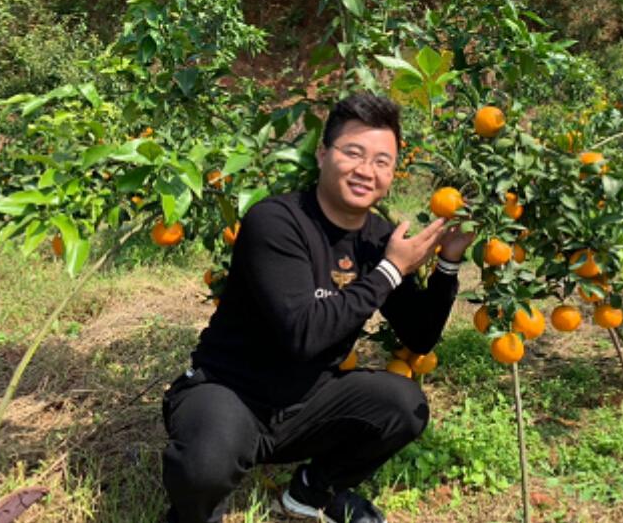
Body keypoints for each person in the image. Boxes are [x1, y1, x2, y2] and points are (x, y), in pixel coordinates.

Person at [162, 92, 474, 523]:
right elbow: (303, 335)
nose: (367, 170)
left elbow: (419, 337)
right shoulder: (275, 222)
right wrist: (389, 271)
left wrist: (448, 263)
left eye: (382, 161)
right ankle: (193, 512)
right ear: (324, 153)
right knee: (204, 465)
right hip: (230, 392)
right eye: (354, 153)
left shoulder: (379, 238)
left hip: (306, 405)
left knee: (404, 403)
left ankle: (311, 492)